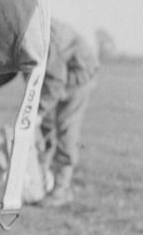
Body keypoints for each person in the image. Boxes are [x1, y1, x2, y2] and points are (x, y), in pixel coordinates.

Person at [38, 18, 99, 206]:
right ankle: (43, 180)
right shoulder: (26, 28)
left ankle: (61, 189)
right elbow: (10, 68)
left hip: (78, 77)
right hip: (54, 77)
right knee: (44, 128)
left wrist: (37, 112)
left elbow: (56, 81)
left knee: (66, 128)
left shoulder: (46, 34)